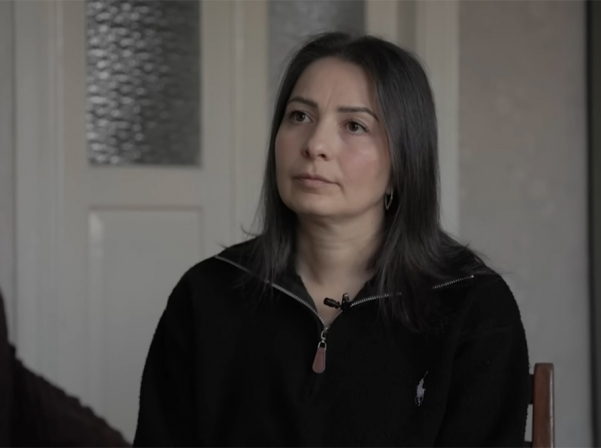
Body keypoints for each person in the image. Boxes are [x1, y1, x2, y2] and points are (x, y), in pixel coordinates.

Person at [133, 32, 529, 447]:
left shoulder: (472, 305)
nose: (315, 145)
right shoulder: (206, 295)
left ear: (404, 160)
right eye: (299, 116)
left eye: (355, 125)